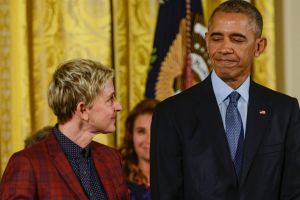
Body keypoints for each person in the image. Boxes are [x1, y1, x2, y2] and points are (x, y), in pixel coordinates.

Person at [150, 1, 300, 200]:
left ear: (259, 46)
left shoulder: (284, 111)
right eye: (217, 38)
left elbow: (293, 191)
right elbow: (166, 194)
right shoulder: (171, 113)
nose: (225, 48)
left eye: (237, 39)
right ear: (206, 40)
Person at [0, 59, 129, 199]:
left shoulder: (111, 158)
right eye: (110, 99)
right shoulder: (27, 163)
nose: (118, 106)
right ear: (83, 110)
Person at [119, 99, 159, 200]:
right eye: (141, 131)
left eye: (156, 130)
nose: (149, 139)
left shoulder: (183, 179)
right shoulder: (117, 179)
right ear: (131, 135)